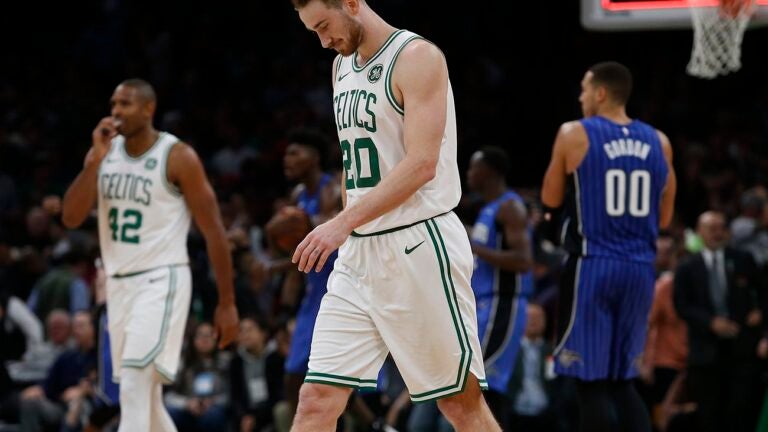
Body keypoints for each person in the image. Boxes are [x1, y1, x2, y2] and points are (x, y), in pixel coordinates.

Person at [289, 1, 498, 431]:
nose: (324, 40)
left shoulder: (417, 58)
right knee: (315, 400)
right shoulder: (341, 68)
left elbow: (422, 164)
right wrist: (347, 220)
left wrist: (340, 222)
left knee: (460, 404)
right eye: (314, 32)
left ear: (351, 3)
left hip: (419, 244)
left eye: (325, 26)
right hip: (359, 254)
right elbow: (356, 161)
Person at [61, 78, 239, 432]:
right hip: (118, 286)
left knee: (133, 382)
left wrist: (226, 302)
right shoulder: (103, 154)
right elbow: (70, 217)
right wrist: (94, 161)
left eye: (125, 104)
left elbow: (214, 231)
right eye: (113, 104)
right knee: (148, 397)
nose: (115, 112)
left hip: (161, 279)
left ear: (148, 108)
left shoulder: (177, 156)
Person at [541, 61, 677, 432]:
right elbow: (665, 220)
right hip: (639, 269)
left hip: (593, 266)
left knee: (590, 383)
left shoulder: (574, 133)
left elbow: (549, 198)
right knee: (622, 383)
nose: (581, 96)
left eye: (585, 89)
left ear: (601, 93)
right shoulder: (659, 141)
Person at [673, 211, 764, 432]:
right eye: (711, 228)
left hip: (741, 350)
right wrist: (710, 322)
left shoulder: (743, 259)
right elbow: (682, 305)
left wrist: (760, 312)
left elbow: (763, 292)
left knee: (740, 413)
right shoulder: (686, 267)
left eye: (720, 227)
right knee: (708, 415)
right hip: (704, 352)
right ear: (699, 231)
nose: (716, 232)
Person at [466, 146, 533, 427]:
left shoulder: (510, 207)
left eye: (473, 167)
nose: (468, 174)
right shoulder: (487, 209)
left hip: (502, 304)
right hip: (484, 305)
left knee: (485, 386)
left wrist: (477, 249)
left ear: (490, 172)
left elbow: (523, 260)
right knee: (477, 387)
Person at [280, 128, 340, 418]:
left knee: (337, 378)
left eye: (295, 153)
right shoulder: (298, 194)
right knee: (294, 373)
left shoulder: (334, 188)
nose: (287, 158)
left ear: (314, 157)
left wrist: (298, 223)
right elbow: (293, 244)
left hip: (339, 286)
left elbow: (328, 230)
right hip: (313, 289)